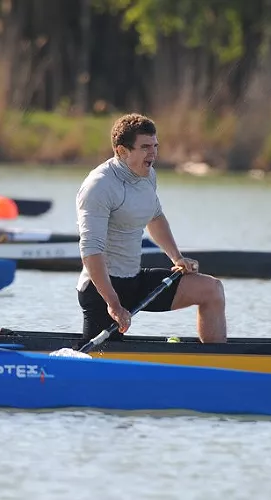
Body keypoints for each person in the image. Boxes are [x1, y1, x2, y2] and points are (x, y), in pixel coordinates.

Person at [75, 113, 227, 344]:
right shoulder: (99, 186)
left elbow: (155, 217)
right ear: (121, 151)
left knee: (212, 290)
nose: (153, 153)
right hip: (102, 291)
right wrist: (113, 303)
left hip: (134, 281)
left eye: (155, 146)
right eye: (145, 147)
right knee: (104, 355)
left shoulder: (147, 176)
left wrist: (177, 257)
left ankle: (218, 362)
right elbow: (90, 251)